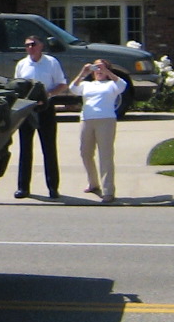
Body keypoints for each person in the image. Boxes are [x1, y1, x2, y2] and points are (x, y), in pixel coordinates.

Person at [12, 33, 69, 198]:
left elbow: (62, 84)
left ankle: (53, 187)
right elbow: (17, 85)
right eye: (27, 45)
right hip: (27, 109)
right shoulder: (22, 64)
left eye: (33, 44)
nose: (30, 48)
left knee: (49, 148)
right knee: (25, 148)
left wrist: (47, 95)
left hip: (46, 108)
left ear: (41, 45)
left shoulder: (51, 62)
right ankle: (23, 187)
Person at [70, 59, 128, 202]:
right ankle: (93, 183)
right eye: (96, 68)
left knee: (105, 155)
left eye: (101, 68)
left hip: (106, 120)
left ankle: (108, 190)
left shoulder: (111, 84)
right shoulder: (86, 85)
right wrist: (83, 73)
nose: (99, 71)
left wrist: (107, 71)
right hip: (87, 120)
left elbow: (122, 85)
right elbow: (73, 88)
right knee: (85, 153)